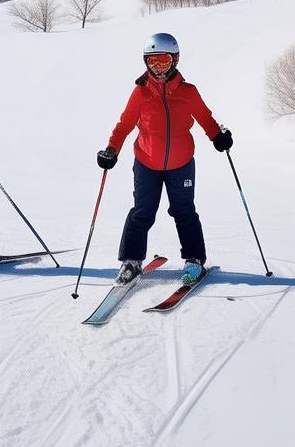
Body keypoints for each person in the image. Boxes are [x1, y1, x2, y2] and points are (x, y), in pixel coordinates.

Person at [97, 33, 233, 285]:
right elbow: (124, 125)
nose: (158, 66)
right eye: (152, 61)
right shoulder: (140, 93)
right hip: (146, 163)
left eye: (163, 59)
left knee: (184, 212)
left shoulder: (188, 92)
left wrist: (218, 137)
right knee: (142, 212)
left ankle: (194, 260)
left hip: (181, 164)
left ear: (175, 59)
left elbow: (206, 118)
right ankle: (131, 261)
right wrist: (111, 149)